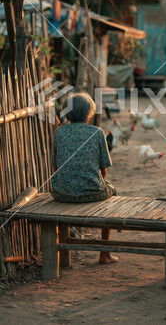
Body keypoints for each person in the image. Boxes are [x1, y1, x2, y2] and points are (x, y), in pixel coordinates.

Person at [50, 92, 118, 264]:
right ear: (89, 113)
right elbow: (104, 170)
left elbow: (54, 168)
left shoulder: (59, 133)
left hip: (61, 193)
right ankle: (105, 253)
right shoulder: (97, 132)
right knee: (112, 192)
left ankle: (62, 256)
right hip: (93, 193)